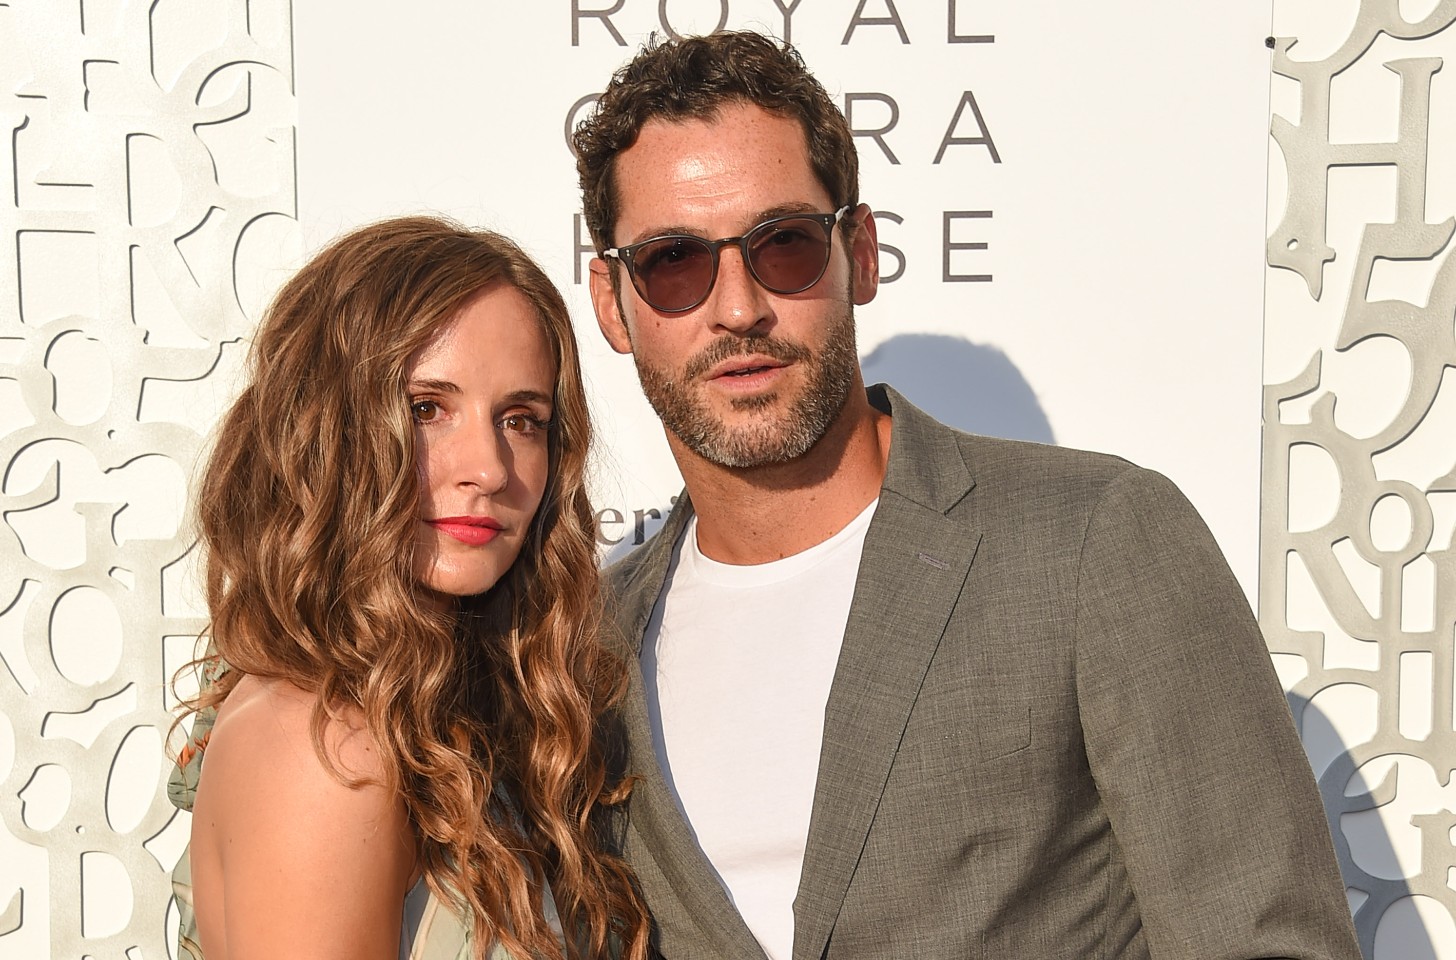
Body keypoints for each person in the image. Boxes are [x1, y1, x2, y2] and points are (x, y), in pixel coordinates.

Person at [573, 31, 1362, 960]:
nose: (738, 306)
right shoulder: (594, 645)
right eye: (674, 261)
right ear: (612, 302)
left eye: (783, 244)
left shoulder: (1093, 543)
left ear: (859, 253)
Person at [167, 217, 649, 960]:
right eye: (427, 409)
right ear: (326, 429)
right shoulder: (329, 745)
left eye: (522, 420)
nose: (489, 467)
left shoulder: (427, 712)